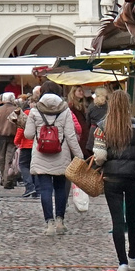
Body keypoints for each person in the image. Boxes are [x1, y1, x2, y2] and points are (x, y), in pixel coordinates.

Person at [92, 86, 135, 271]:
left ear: (111, 104)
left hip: (112, 179)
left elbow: (100, 156)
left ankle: (122, 264)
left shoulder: (102, 126)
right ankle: (133, 258)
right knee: (133, 219)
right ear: (127, 105)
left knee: (117, 221)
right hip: (134, 176)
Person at [22, 89, 84, 235]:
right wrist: (80, 157)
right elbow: (70, 136)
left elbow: (28, 134)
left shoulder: (35, 111)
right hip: (61, 156)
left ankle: (49, 223)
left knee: (45, 190)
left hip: (40, 155)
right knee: (61, 189)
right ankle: (60, 221)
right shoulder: (65, 111)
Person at [0, 92, 24, 190]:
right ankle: (8, 180)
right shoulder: (17, 110)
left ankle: (3, 178)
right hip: (13, 137)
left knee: (1, 158)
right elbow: (22, 124)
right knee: (9, 159)